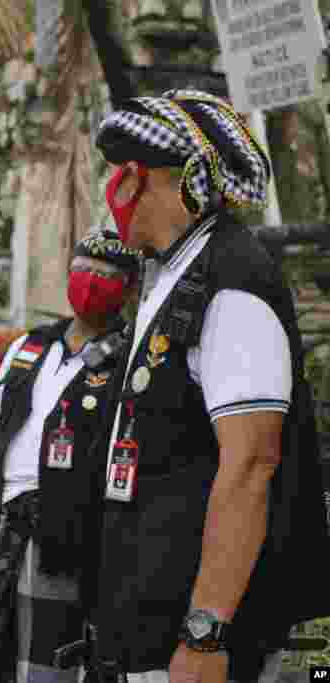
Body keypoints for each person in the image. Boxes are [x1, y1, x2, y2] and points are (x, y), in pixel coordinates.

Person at [85, 89, 330, 683]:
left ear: (177, 182)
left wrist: (206, 630)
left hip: (199, 645)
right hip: (145, 626)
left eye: (128, 172)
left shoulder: (233, 279)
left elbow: (250, 464)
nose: (115, 187)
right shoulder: (174, 274)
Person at [0, 230, 141, 683]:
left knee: (43, 667)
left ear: (129, 289)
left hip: (68, 539)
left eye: (106, 276)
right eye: (84, 270)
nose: (91, 281)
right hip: (3, 531)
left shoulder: (131, 362)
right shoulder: (29, 349)